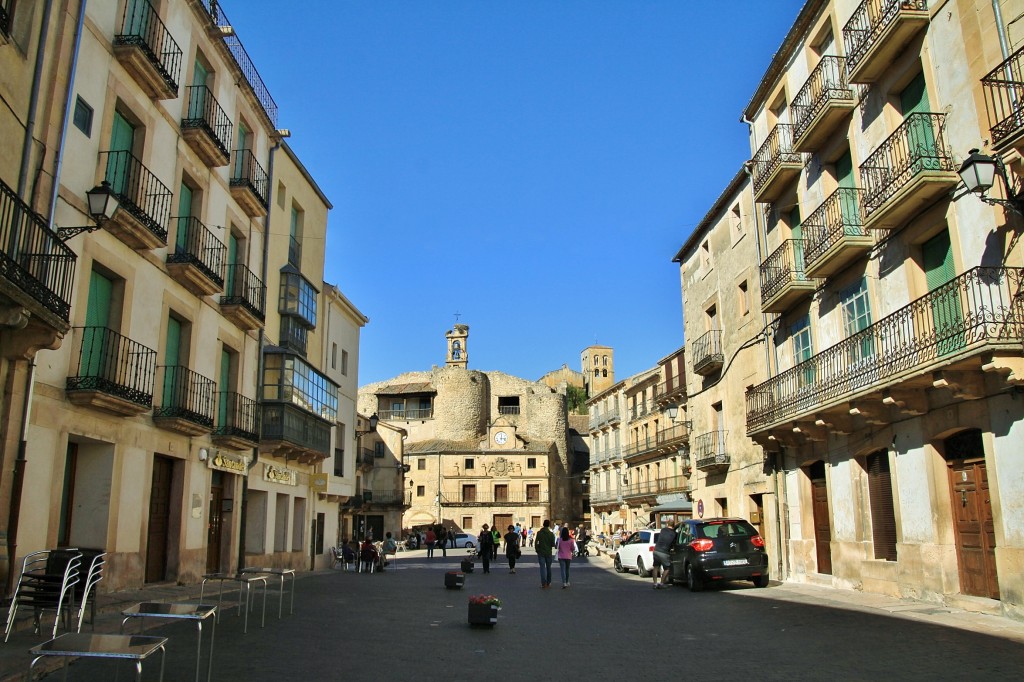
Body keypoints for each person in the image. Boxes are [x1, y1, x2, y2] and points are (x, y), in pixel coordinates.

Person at [652, 520, 677, 589]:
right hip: (664, 552)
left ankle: (654, 583)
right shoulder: (674, 533)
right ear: (674, 525)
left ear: (667, 524)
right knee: (667, 568)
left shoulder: (663, 530)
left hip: (656, 550)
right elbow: (674, 543)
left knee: (655, 567)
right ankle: (661, 583)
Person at [535, 520, 555, 588]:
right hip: (548, 552)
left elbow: (536, 542)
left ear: (543, 524)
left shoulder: (539, 533)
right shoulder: (551, 534)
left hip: (541, 552)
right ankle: (549, 582)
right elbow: (553, 544)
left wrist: (537, 549)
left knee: (542, 568)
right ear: (548, 525)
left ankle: (543, 583)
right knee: (549, 568)